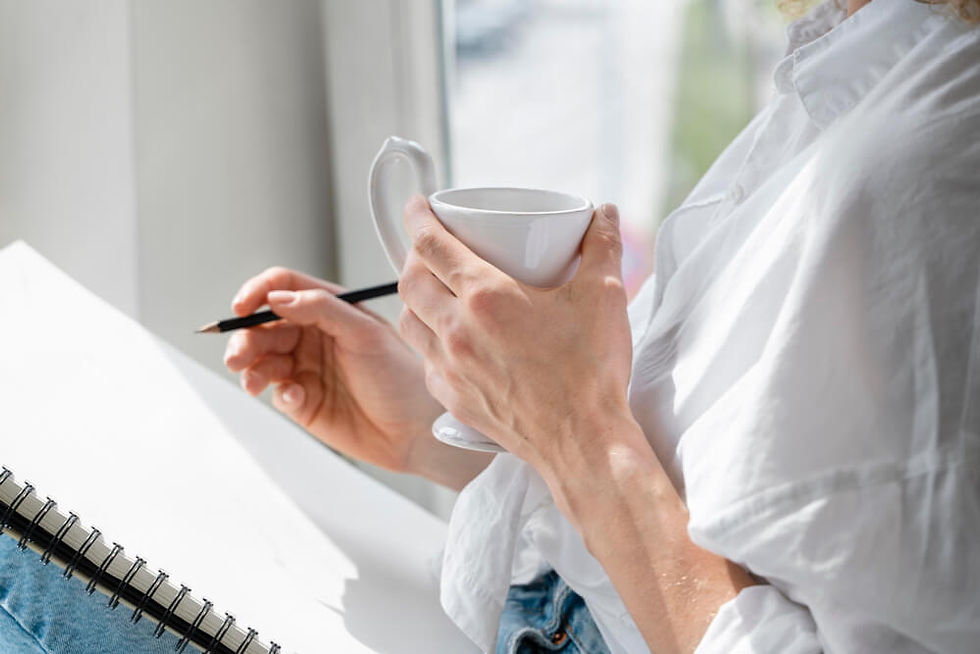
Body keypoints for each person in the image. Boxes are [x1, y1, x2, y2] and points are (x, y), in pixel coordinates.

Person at [1, 1, 976, 653]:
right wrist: (444, 429)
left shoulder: (932, 151)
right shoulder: (862, 74)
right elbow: (764, 518)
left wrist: (569, 427)